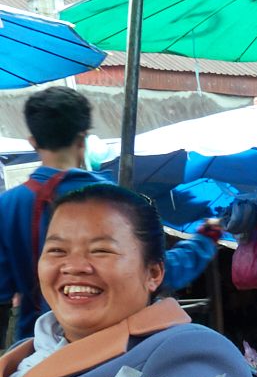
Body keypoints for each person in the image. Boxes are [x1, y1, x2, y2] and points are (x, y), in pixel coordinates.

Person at [0, 184, 254, 377]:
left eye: (101, 250)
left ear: (154, 273)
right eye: (57, 251)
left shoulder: (188, 349)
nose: (74, 265)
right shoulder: (24, 353)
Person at [0, 88, 222, 342]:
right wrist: (204, 240)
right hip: (112, 353)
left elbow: (3, 288)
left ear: (33, 142)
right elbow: (159, 271)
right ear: (82, 139)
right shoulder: (115, 201)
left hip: (37, 352)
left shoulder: (7, 206)